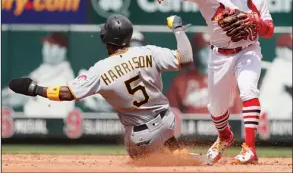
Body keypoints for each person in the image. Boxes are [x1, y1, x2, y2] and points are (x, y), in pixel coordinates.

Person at [8, 14, 198, 159]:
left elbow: (67, 93)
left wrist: (34, 89)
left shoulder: (100, 69)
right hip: (168, 123)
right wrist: (178, 28)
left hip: (140, 138)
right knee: (164, 137)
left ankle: (166, 158)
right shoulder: (150, 52)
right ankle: (179, 154)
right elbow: (187, 57)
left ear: (105, 38)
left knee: (142, 159)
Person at [152, 0, 274, 164]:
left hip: (248, 49)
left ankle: (250, 148)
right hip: (219, 53)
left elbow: (269, 30)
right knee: (216, 108)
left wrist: (257, 22)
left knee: (248, 89)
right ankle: (225, 136)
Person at [2, 32, 75, 117]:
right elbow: (19, 91)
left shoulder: (65, 74)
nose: (46, 49)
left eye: (51, 46)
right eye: (45, 45)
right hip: (33, 125)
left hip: (54, 124)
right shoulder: (44, 68)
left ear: (62, 50)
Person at [167, 33, 242, 114]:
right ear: (195, 52)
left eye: (212, 50)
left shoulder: (229, 80)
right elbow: (170, 117)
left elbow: (239, 116)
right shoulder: (181, 81)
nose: (208, 54)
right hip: (192, 126)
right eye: (204, 49)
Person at [259, 33, 292, 120]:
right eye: (291, 48)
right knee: (287, 98)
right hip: (274, 118)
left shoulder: (283, 64)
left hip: (278, 117)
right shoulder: (280, 65)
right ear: (280, 50)